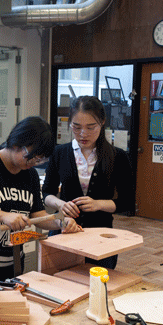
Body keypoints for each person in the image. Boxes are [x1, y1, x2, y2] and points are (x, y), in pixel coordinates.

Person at [0, 116, 81, 283]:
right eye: (31, 156)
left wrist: (59, 222)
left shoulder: (31, 175)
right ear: (16, 142)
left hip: (10, 263)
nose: (34, 162)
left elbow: (37, 214)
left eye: (40, 159)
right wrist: (3, 216)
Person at [42, 96, 133, 269]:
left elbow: (127, 202)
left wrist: (98, 204)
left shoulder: (118, 156)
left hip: (101, 236)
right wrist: (60, 204)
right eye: (76, 127)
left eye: (91, 127)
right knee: (60, 283)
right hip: (64, 231)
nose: (83, 134)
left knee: (97, 285)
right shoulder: (59, 152)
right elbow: (46, 193)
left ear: (102, 122)